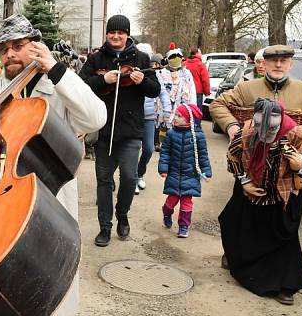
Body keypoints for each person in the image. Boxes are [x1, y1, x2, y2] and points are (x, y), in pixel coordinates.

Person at [0, 13, 107, 316]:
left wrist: (56, 69)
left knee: (37, 300)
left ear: (36, 46)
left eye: (18, 46)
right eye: (4, 49)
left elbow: (95, 117)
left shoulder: (59, 84)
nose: (10, 55)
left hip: (48, 201)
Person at [217, 98, 302, 305]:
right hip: (251, 190)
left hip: (283, 195)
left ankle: (284, 283)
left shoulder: (297, 136)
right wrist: (244, 181)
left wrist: (299, 166)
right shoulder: (246, 133)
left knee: (282, 236)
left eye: (271, 128)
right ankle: (237, 259)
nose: (265, 133)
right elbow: (233, 156)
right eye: (259, 126)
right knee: (232, 221)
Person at [78, 14, 161, 247]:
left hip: (130, 131)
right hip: (103, 132)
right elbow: (81, 87)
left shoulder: (141, 58)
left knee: (129, 177)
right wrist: (103, 80)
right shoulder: (96, 59)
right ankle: (105, 227)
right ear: (107, 34)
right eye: (112, 32)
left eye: (121, 33)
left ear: (127, 35)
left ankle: (122, 213)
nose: (116, 36)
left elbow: (155, 90)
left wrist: (141, 81)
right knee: (103, 181)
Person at [210, 44, 302, 143]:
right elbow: (217, 105)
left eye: (283, 61)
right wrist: (231, 126)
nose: (278, 65)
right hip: (251, 160)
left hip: (292, 165)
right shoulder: (246, 88)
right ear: (265, 64)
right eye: (273, 60)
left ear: (290, 65)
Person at [158, 103, 212, 237]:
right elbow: (165, 152)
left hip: (191, 174)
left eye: (179, 116)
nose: (175, 118)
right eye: (175, 115)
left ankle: (183, 226)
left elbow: (203, 155)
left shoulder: (198, 136)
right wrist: (163, 168)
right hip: (174, 173)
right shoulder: (171, 134)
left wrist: (207, 172)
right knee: (172, 201)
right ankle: (166, 212)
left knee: (187, 202)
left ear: (189, 119)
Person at [135, 43, 157, 194]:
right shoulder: (131, 71)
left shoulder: (152, 72)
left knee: (148, 149)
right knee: (132, 149)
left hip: (149, 117)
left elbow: (159, 91)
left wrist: (167, 112)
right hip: (134, 117)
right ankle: (132, 178)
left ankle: (140, 173)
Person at [157, 44, 197, 128]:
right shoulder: (161, 73)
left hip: (182, 112)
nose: (175, 59)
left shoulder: (186, 73)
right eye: (172, 57)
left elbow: (192, 91)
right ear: (167, 59)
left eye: (178, 57)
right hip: (164, 112)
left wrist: (193, 107)